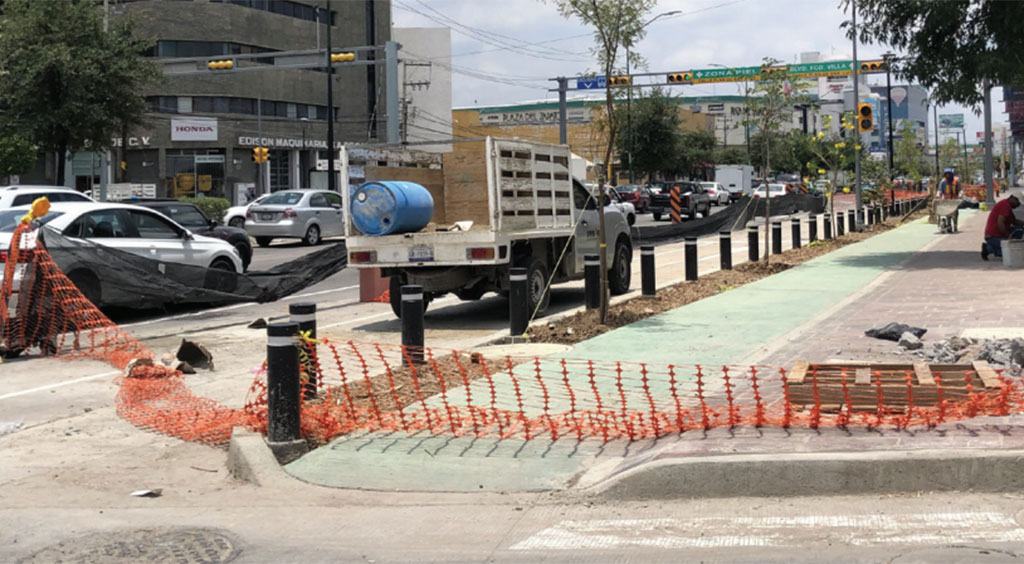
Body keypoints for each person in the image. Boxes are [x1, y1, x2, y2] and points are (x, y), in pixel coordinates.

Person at [981, 194, 1024, 260]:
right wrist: (1008, 236)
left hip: (997, 235)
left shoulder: (1007, 205)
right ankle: (988, 248)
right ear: (1013, 199)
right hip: (993, 236)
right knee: (1008, 253)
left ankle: (993, 247)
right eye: (1018, 203)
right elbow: (1000, 223)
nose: (1018, 205)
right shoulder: (1005, 206)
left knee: (1019, 229)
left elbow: (1014, 221)